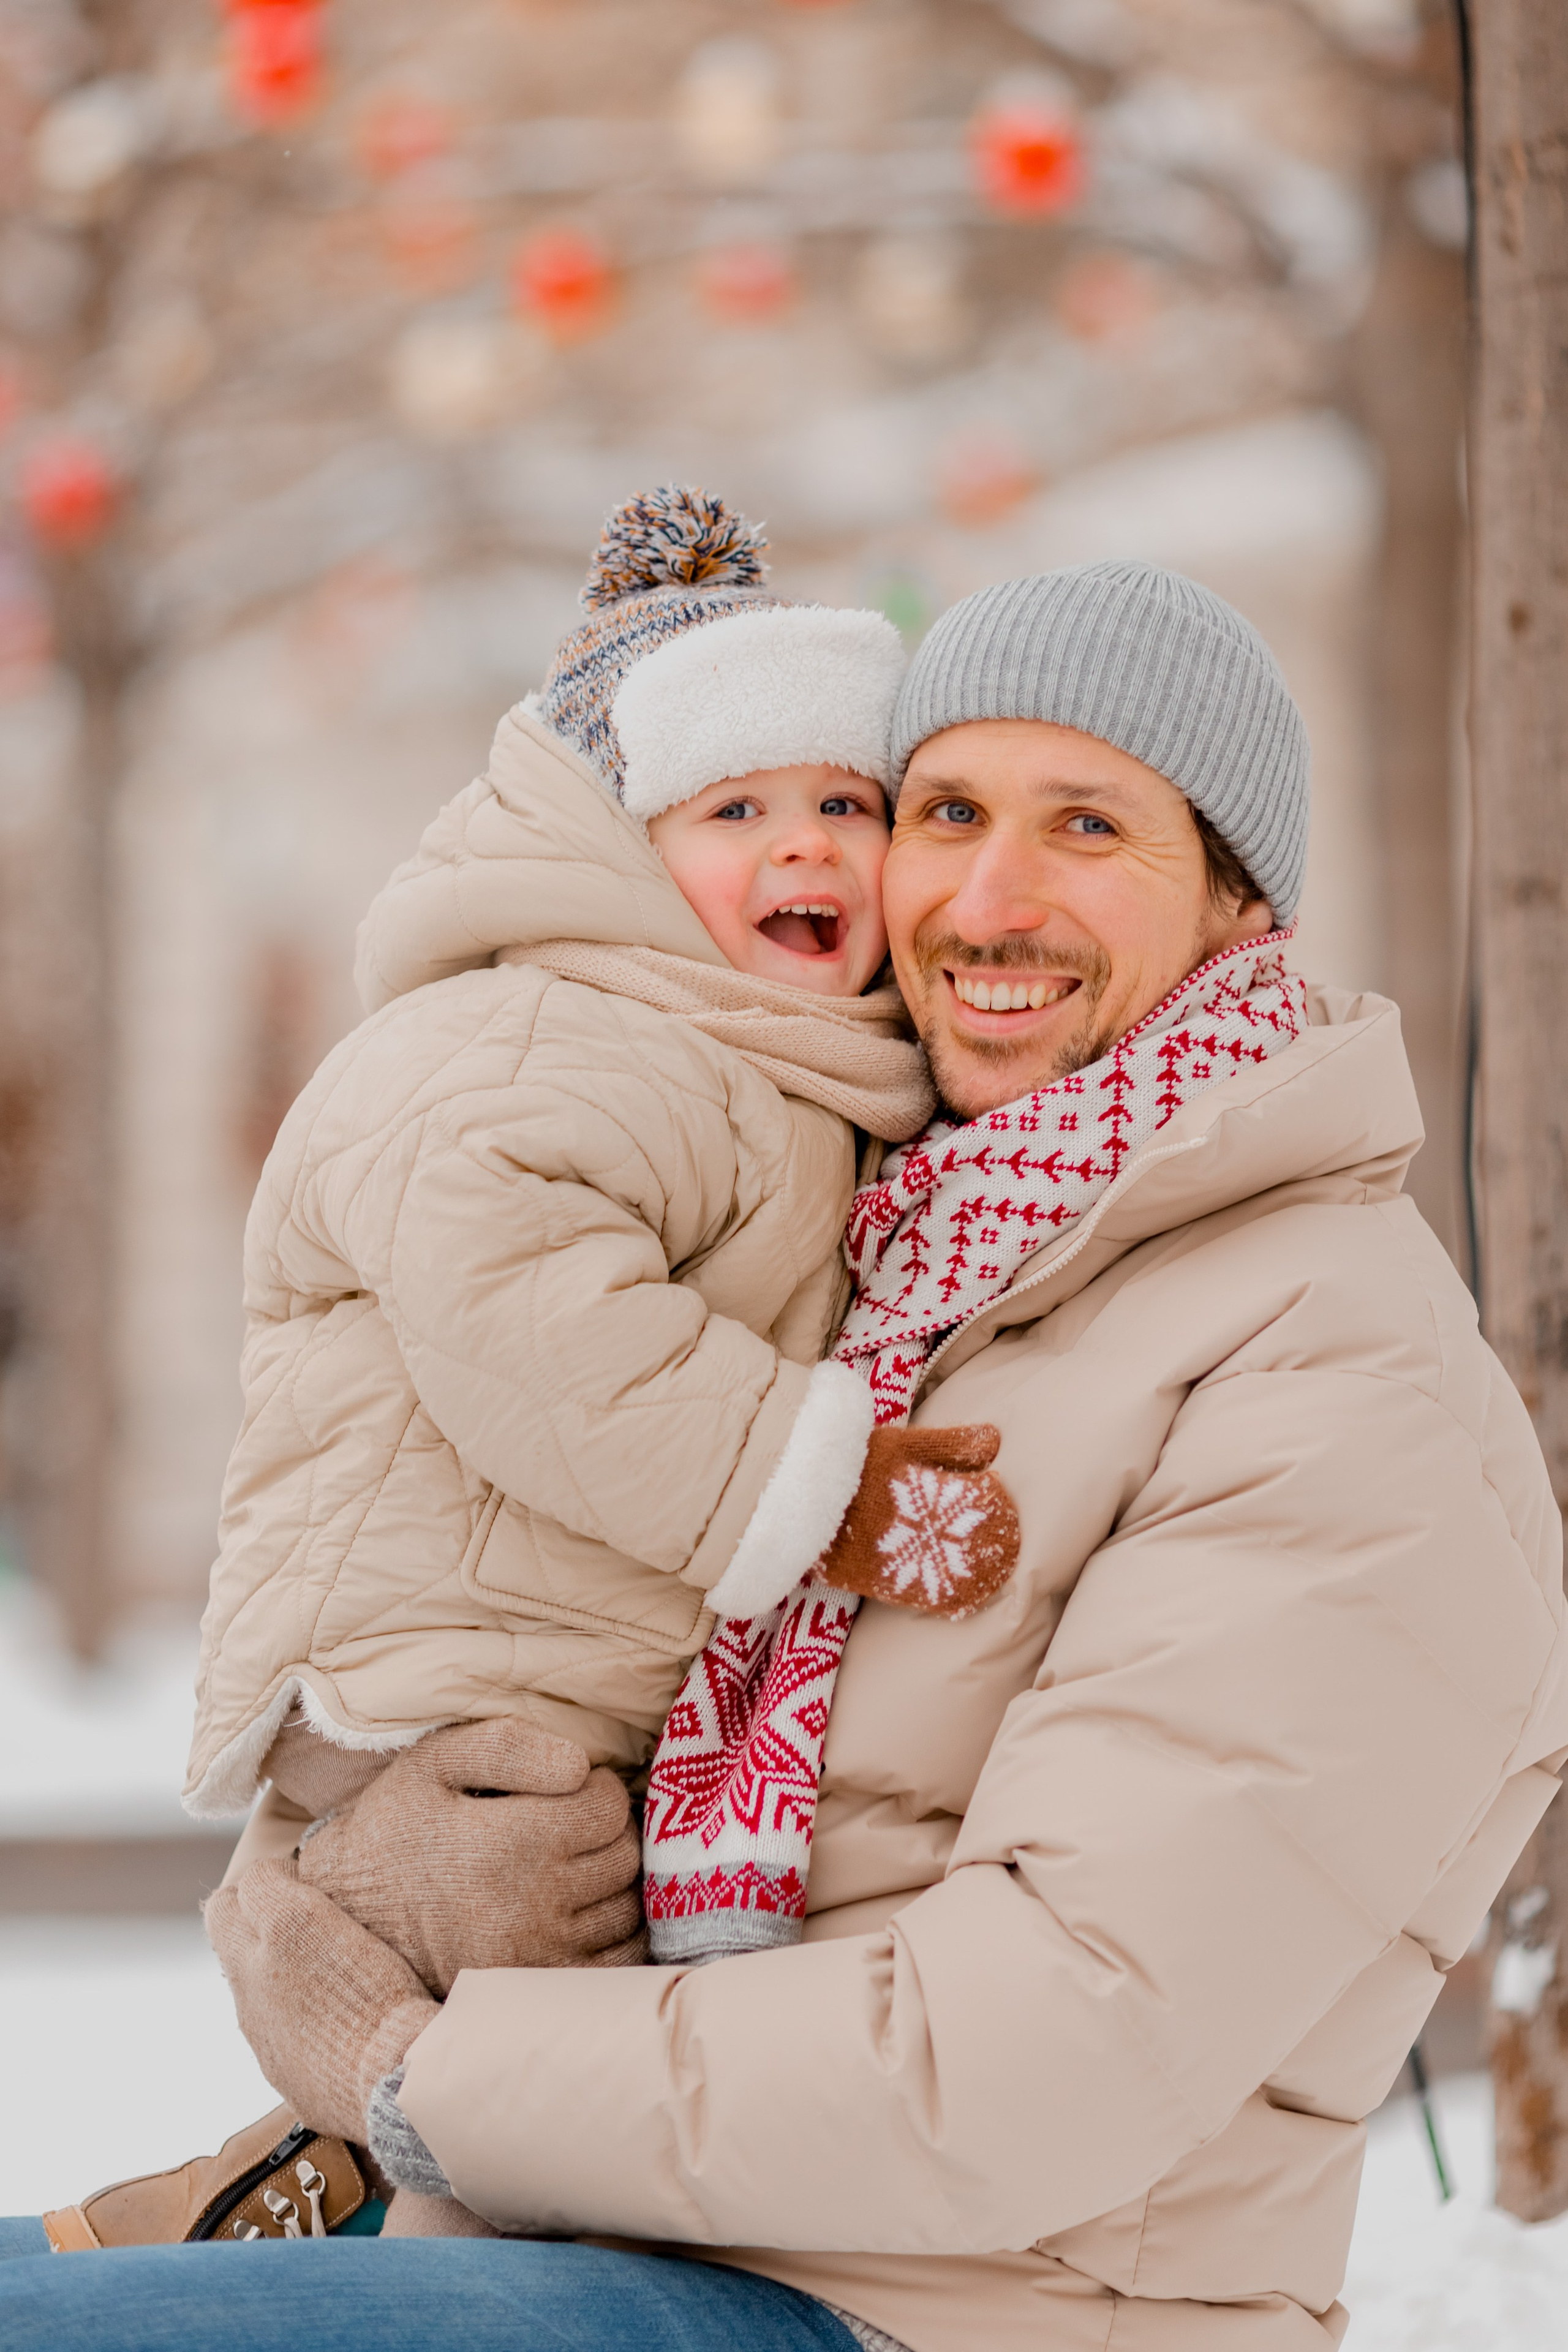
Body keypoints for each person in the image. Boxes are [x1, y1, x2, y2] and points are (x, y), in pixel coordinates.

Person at [7, 561, 1564, 2352]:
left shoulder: (1342, 1378)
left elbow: (1025, 2068)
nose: (990, 896)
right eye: (949, 811)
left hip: (941, 2317)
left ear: (1233, 905)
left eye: (1090, 828)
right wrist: (370, 1889)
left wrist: (418, 2063)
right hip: (606, 2232)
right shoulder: (910, 1263)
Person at [172, 483, 1020, 2230]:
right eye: (735, 808)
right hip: (450, 1689)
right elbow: (523, 1305)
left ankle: (296, 2201)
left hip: (553, 1668)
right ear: (625, 838)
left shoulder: (763, 1053)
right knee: (520, 2040)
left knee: (542, 2055)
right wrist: (814, 1483)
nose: (801, 848)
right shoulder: (546, 1030)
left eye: (841, 804)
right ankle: (393, 2248)